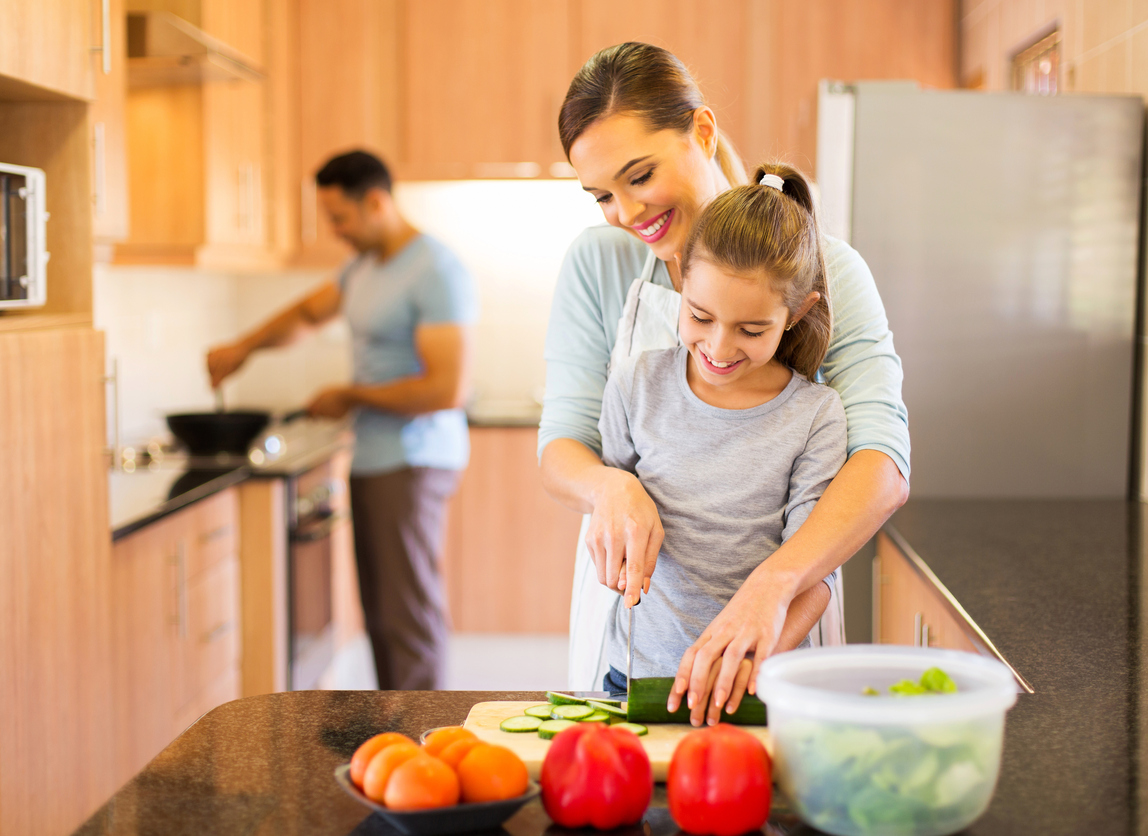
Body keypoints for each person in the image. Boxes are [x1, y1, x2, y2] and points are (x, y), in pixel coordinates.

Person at [540, 43, 911, 720]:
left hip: (780, 630)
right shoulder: (597, 265)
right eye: (601, 195)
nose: (625, 212)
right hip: (635, 641)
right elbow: (562, 445)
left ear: (701, 132)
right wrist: (610, 485)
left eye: (639, 175)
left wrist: (774, 587)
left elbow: (881, 464)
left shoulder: (830, 272)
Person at [206, 150, 477, 690]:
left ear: (375, 202)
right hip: (377, 458)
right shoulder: (363, 268)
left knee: (407, 618)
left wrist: (350, 394)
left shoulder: (434, 270)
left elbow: (447, 389)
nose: (334, 231)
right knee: (381, 615)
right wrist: (244, 347)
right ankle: (395, 743)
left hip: (414, 460)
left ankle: (425, 746)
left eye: (339, 218)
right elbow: (308, 314)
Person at [599, 164, 847, 724]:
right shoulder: (636, 384)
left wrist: (745, 663)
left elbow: (815, 575)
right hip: (635, 677)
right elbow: (613, 505)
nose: (717, 346)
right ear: (682, 281)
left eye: (751, 330)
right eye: (700, 316)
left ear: (797, 314)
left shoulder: (815, 416)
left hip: (758, 684)